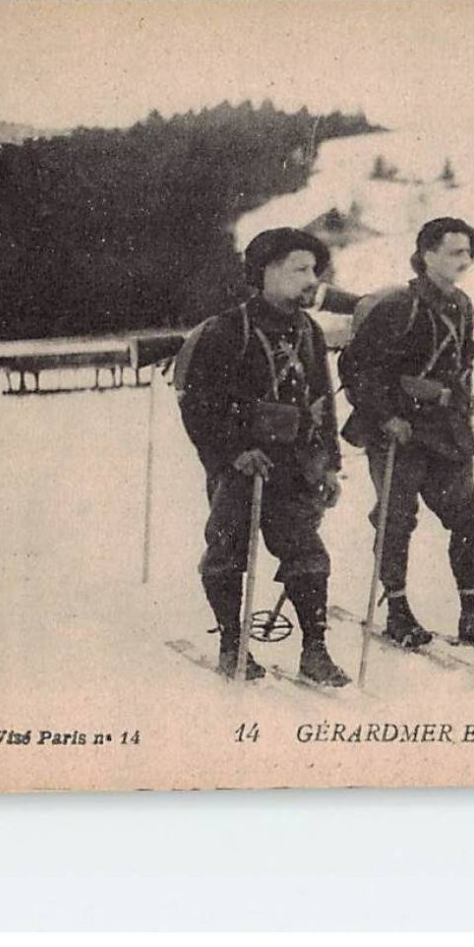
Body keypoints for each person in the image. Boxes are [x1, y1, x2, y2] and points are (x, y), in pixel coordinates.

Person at [174, 227, 350, 685]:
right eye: (300, 269)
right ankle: (232, 645)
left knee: (307, 555)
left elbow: (323, 402)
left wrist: (331, 464)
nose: (312, 279)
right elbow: (198, 403)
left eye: (314, 270)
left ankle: (315, 650)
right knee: (228, 553)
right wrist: (233, 453)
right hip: (243, 466)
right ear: (266, 271)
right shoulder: (227, 330)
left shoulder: (308, 330)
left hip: (295, 465)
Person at [338, 217, 474, 651]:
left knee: (467, 518)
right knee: (397, 519)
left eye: (468, 253)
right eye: (453, 252)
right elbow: (357, 369)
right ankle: (397, 610)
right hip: (398, 430)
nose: (463, 261)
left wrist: (463, 396)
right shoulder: (399, 305)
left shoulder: (464, 305)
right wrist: (386, 416)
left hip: (445, 429)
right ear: (426, 255)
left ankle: (472, 614)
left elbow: (456, 364)